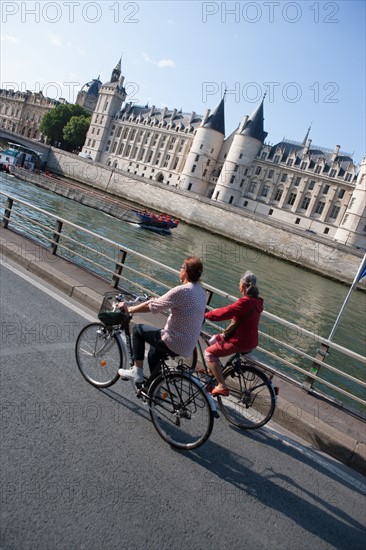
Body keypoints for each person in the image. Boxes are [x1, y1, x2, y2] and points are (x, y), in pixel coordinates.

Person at [118, 256, 207, 383]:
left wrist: (130, 309)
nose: (180, 269)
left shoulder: (182, 291)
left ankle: (137, 371)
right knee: (154, 353)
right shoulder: (200, 291)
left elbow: (154, 306)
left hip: (175, 340)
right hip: (189, 344)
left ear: (185, 271)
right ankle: (155, 387)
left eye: (181, 267)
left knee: (138, 330)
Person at [203, 271, 263, 397]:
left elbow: (225, 312)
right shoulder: (257, 302)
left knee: (209, 352)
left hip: (239, 341)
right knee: (214, 340)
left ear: (242, 286)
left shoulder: (245, 302)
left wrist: (206, 315)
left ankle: (221, 385)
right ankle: (211, 371)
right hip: (251, 341)